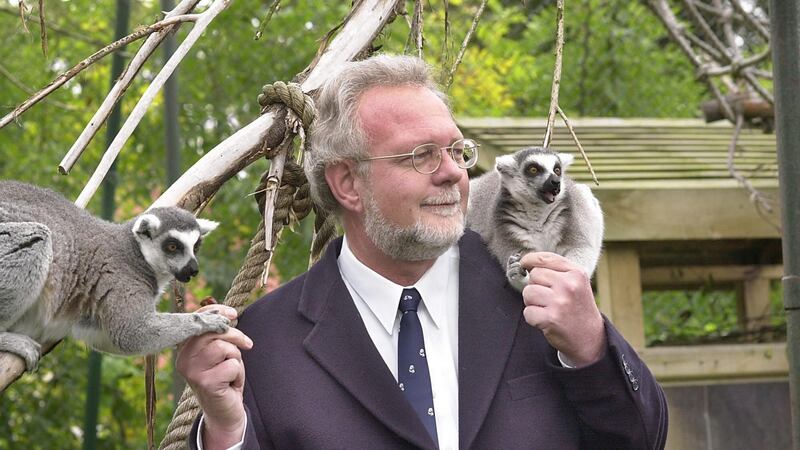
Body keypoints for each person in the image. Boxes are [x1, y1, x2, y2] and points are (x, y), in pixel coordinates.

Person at [177, 54, 668, 450]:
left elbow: (641, 439)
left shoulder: (536, 295)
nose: (453, 173)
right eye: (421, 155)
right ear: (348, 182)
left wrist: (592, 348)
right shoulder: (266, 340)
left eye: (457, 151)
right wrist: (224, 434)